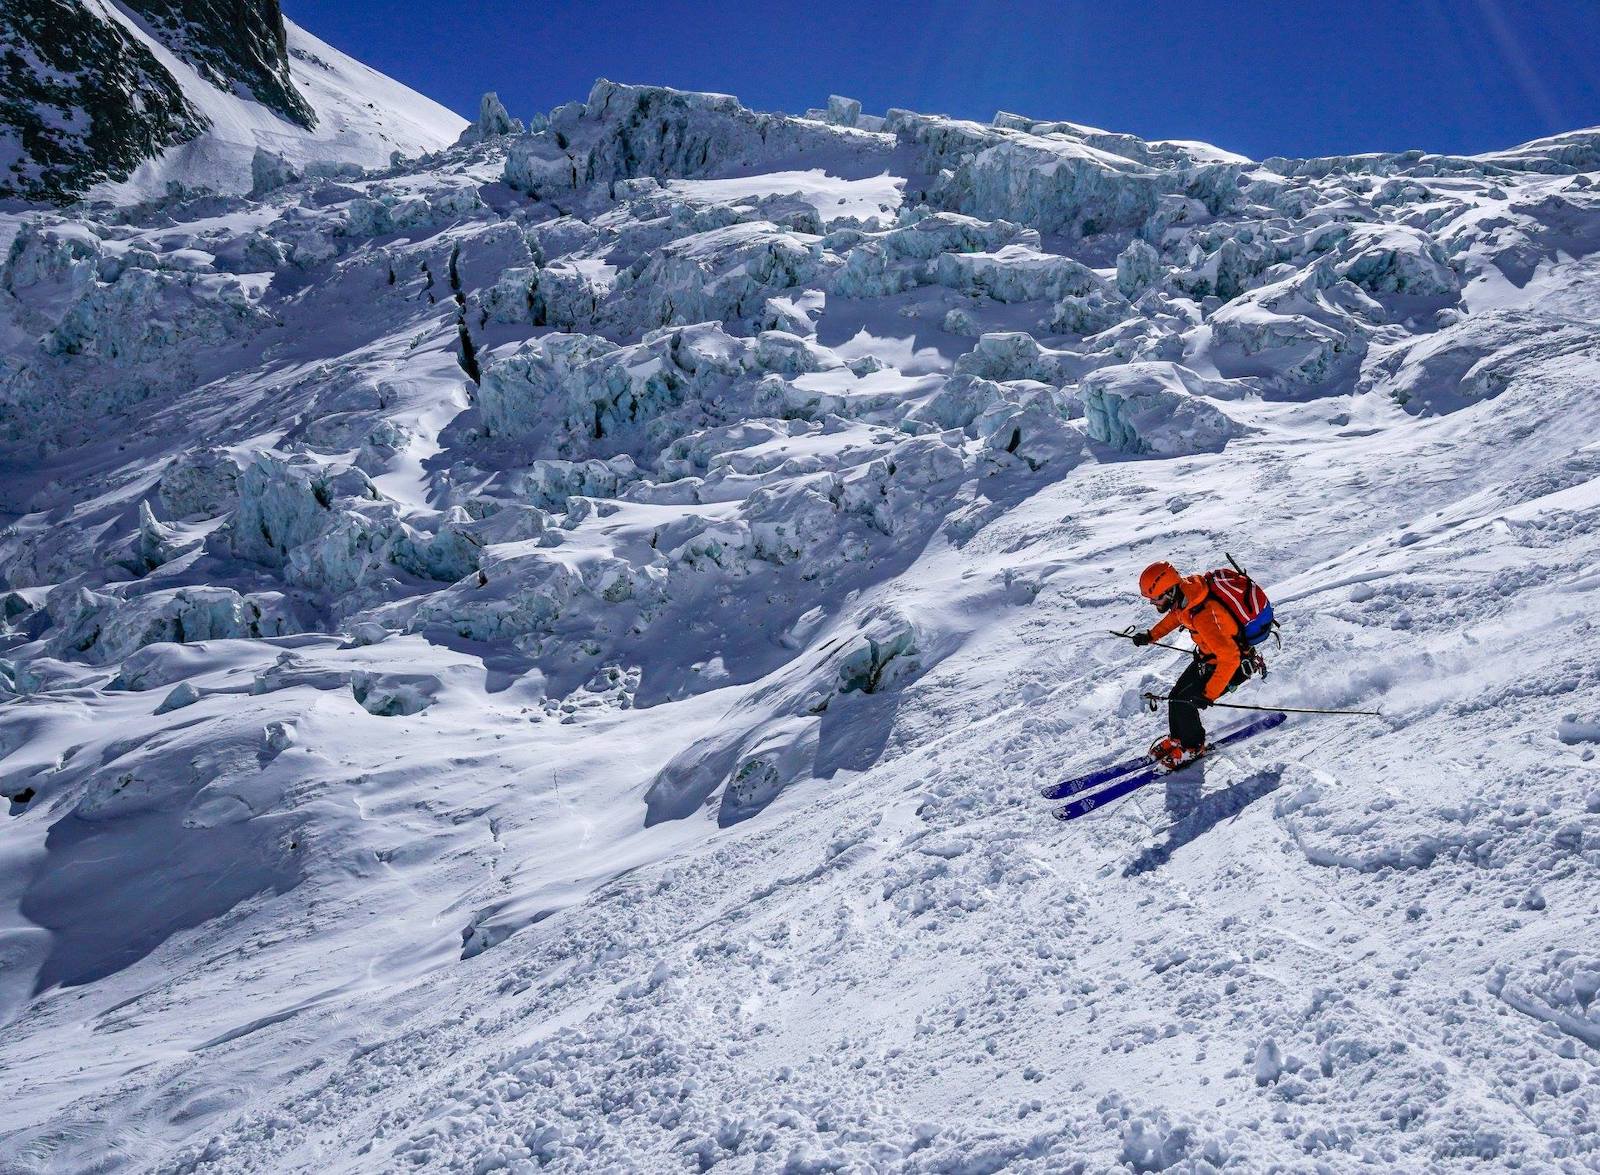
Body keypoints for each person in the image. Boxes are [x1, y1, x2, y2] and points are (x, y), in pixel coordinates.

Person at [1131, 560, 1255, 768]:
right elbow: (1176, 617)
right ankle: (1179, 738)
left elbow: (1230, 657)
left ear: (1169, 591)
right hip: (1208, 660)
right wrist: (1151, 635)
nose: (1154, 604)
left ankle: (1193, 746)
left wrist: (1209, 694)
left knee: (1186, 701)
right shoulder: (1186, 596)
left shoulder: (1204, 615)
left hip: (1232, 668)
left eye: (1156, 598)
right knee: (1175, 697)